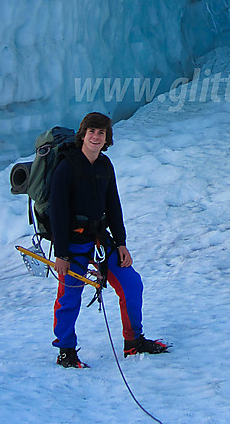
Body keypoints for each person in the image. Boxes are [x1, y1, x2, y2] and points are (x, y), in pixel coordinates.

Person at [50, 111, 168, 368]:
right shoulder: (66, 166)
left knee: (131, 284)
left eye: (101, 132)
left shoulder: (104, 165)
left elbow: (113, 205)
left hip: (101, 241)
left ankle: (133, 341)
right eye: (91, 131)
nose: (95, 136)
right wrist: (61, 254)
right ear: (83, 134)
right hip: (72, 245)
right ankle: (66, 350)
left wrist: (122, 242)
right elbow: (57, 211)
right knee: (69, 297)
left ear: (107, 139)